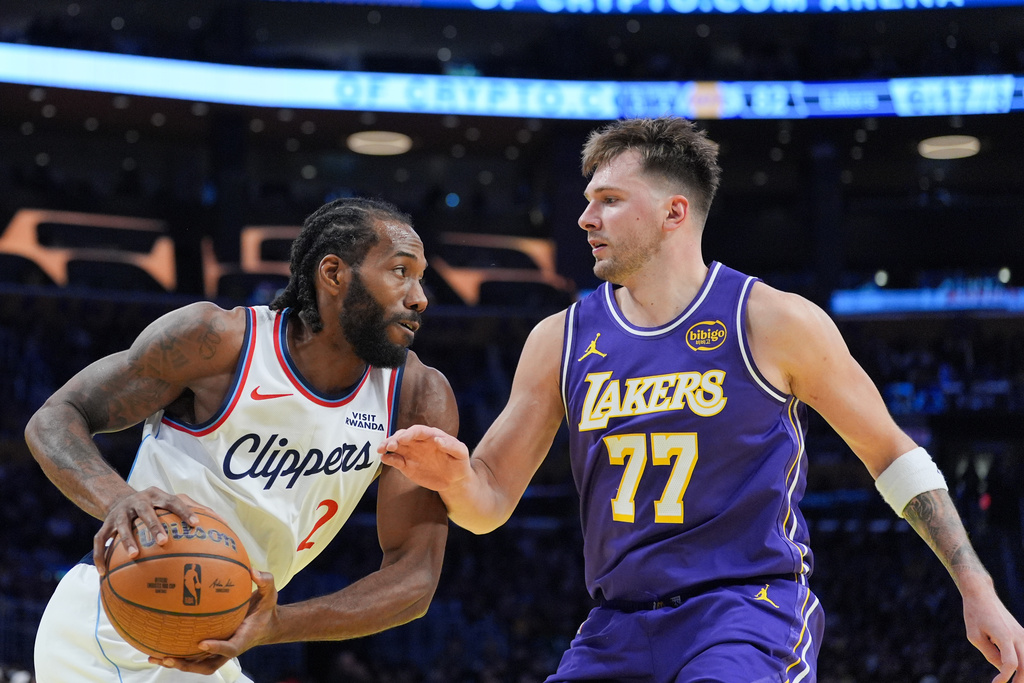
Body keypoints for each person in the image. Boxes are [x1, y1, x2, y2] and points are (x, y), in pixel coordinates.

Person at [379, 117, 1024, 682]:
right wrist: (459, 476)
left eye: (608, 200)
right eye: (587, 200)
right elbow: (487, 504)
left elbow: (893, 455)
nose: (585, 219)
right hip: (614, 626)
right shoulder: (560, 339)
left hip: (746, 614)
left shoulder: (772, 320)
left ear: (674, 211)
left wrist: (978, 589)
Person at [25, 197, 459, 681]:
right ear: (333, 274)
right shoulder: (217, 342)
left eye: (420, 277)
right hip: (106, 634)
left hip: (211, 642)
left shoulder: (416, 397)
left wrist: (275, 624)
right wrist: (117, 499)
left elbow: (415, 579)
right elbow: (56, 417)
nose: (420, 296)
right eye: (400, 271)